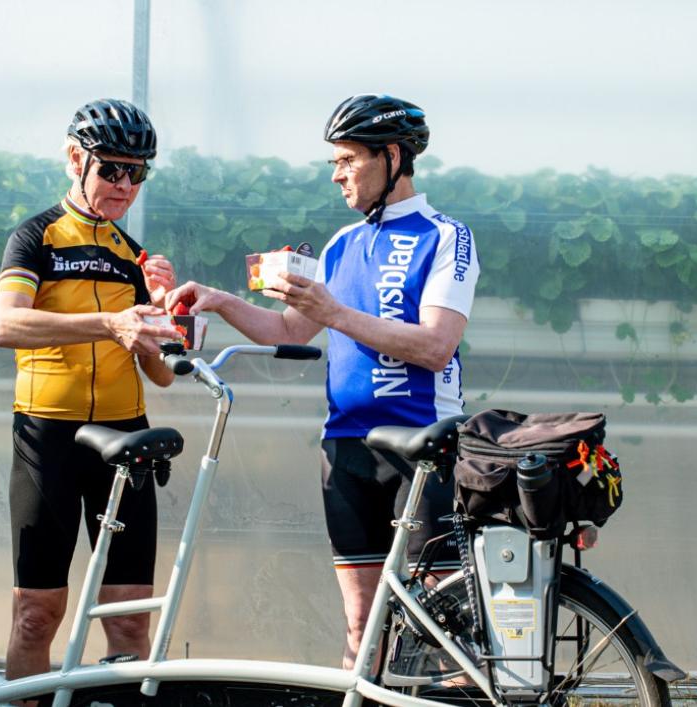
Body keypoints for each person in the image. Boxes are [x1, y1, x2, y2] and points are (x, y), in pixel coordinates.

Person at [165, 94, 480, 668]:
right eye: (333, 162)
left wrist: (334, 312)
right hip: (347, 449)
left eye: (347, 159)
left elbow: (436, 346)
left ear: (391, 156)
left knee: (444, 625)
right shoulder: (343, 243)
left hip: (422, 445)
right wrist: (219, 301)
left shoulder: (446, 235)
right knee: (362, 623)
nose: (336, 174)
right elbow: (287, 328)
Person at [0, 98, 183, 681]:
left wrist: (156, 314)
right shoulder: (36, 237)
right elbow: (3, 326)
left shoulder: (132, 258)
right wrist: (108, 323)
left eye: (137, 172)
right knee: (36, 616)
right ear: (76, 159)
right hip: (48, 436)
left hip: (125, 438)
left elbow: (165, 374)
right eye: (111, 169)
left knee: (128, 622)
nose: (125, 184)